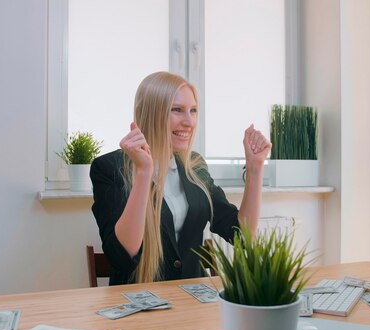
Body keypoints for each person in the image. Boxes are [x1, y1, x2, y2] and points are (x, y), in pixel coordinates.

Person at [90, 71, 271, 285]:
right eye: (177, 110)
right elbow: (122, 257)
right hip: (139, 303)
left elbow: (242, 236)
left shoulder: (195, 166)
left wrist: (255, 168)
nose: (189, 122)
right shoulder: (108, 168)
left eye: (193, 111)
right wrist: (144, 172)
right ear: (151, 113)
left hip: (192, 301)